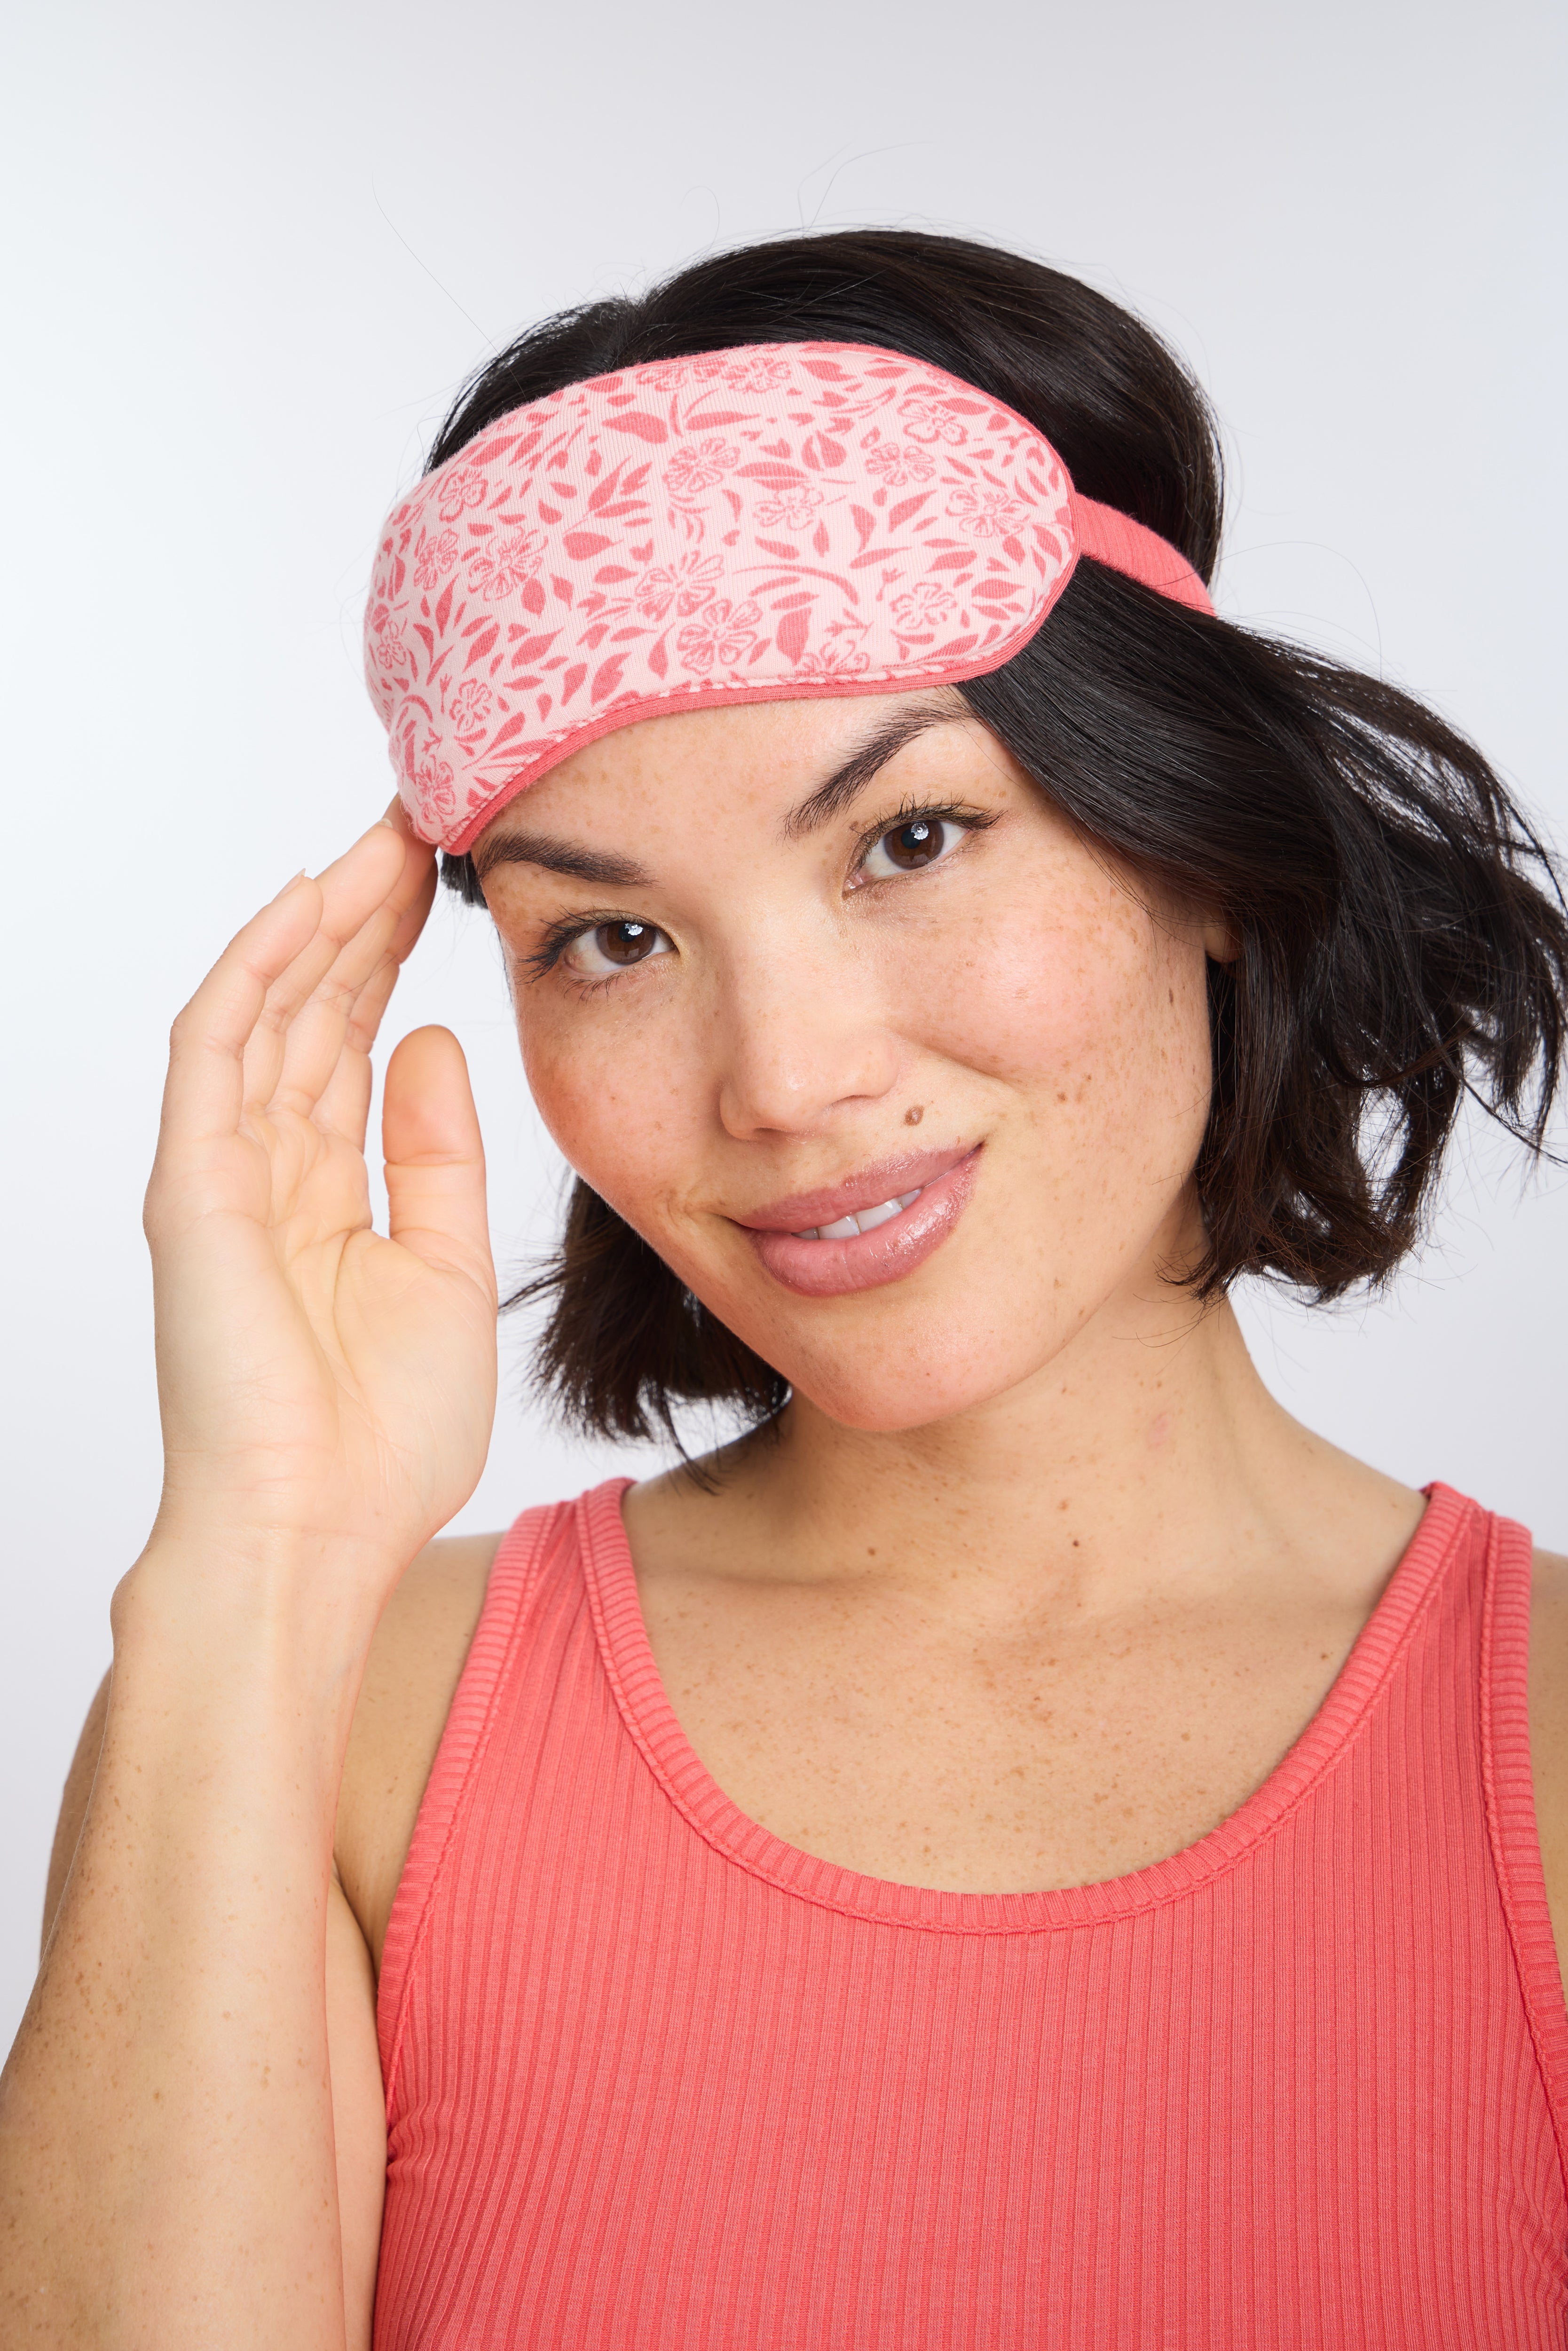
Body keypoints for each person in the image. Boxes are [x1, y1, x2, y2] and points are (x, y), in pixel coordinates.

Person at [3, 228, 1567, 2350]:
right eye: (612, 939)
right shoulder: (331, 1712)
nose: (784, 1081)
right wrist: (256, 1557)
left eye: (909, 839)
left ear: (1193, 835)